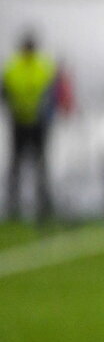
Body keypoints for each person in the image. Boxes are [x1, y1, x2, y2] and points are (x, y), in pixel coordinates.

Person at [3, 31, 58, 221]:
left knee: (40, 165)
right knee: (17, 165)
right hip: (19, 123)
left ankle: (43, 205)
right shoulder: (13, 67)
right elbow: (5, 92)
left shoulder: (43, 66)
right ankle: (13, 205)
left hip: (38, 123)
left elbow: (52, 94)